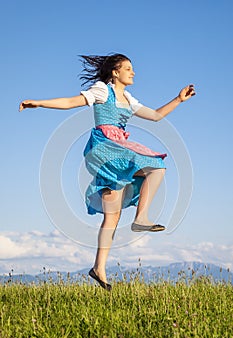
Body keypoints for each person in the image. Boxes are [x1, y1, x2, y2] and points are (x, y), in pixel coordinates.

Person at [19, 53, 195, 291]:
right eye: (128, 68)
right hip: (105, 147)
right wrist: (39, 103)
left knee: (112, 216)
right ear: (115, 72)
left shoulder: (129, 98)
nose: (133, 72)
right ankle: (141, 219)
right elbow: (72, 102)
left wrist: (178, 99)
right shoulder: (102, 90)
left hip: (118, 148)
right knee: (156, 164)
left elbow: (155, 116)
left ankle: (98, 268)